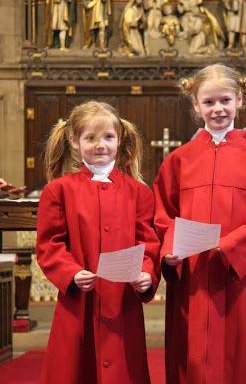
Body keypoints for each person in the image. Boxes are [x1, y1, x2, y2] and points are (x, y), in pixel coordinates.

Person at [153, 63, 246, 383]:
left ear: (239, 99)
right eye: (208, 102)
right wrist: (169, 249)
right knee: (195, 355)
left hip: (243, 275)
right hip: (195, 275)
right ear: (196, 105)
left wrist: (230, 247)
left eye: (224, 100)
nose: (218, 109)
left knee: (245, 355)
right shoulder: (178, 160)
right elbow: (162, 214)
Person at [36, 101, 160, 384]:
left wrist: (146, 274)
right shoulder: (59, 190)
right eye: (90, 138)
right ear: (74, 140)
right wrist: (70, 273)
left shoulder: (139, 193)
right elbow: (50, 244)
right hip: (79, 302)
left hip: (122, 302)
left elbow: (148, 243)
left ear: (120, 139)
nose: (100, 145)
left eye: (107, 137)